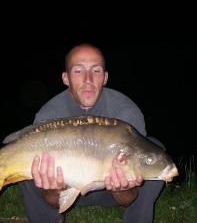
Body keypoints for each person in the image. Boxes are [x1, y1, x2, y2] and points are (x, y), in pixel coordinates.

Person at [19, 43, 164, 223]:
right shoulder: (49, 115)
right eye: (78, 71)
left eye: (96, 71)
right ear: (66, 78)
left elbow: (127, 198)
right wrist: (52, 188)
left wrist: (121, 188)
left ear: (105, 77)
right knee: (26, 163)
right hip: (66, 189)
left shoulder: (126, 112)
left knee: (154, 150)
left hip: (110, 193)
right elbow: (51, 199)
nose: (88, 79)